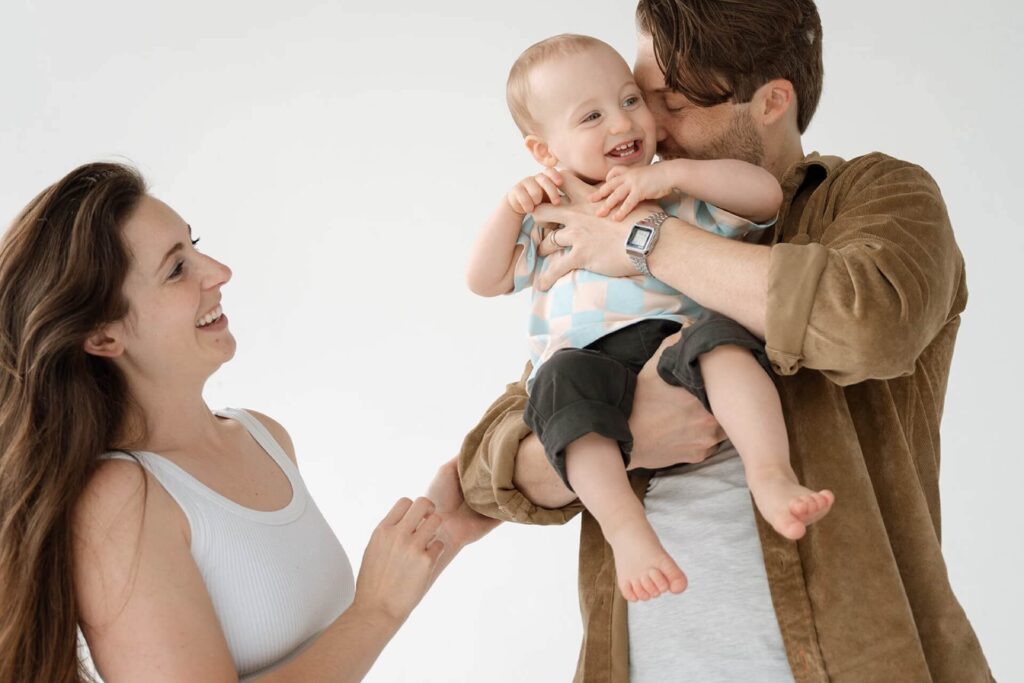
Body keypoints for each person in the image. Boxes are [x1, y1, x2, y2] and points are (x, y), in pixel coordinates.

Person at [457, 1, 994, 681]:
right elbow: (487, 468)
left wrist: (646, 243)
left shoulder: (876, 194)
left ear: (772, 101)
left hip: (853, 660)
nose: (641, 126)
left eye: (664, 102)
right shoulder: (582, 222)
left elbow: (866, 323)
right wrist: (632, 435)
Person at [0, 162, 495, 683]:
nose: (217, 272)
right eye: (176, 269)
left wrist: (444, 531)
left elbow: (328, 653)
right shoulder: (120, 499)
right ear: (103, 338)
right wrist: (376, 610)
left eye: (194, 246)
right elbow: (363, 619)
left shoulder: (263, 437)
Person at [466, 33, 833, 603]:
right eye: (592, 115)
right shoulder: (548, 211)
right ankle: (627, 531)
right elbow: (484, 280)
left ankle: (771, 474)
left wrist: (674, 177)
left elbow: (765, 197)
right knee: (561, 393)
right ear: (545, 151)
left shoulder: (668, 190)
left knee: (721, 344)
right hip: (584, 361)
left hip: (675, 343)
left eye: (630, 100)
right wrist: (509, 209)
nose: (622, 123)